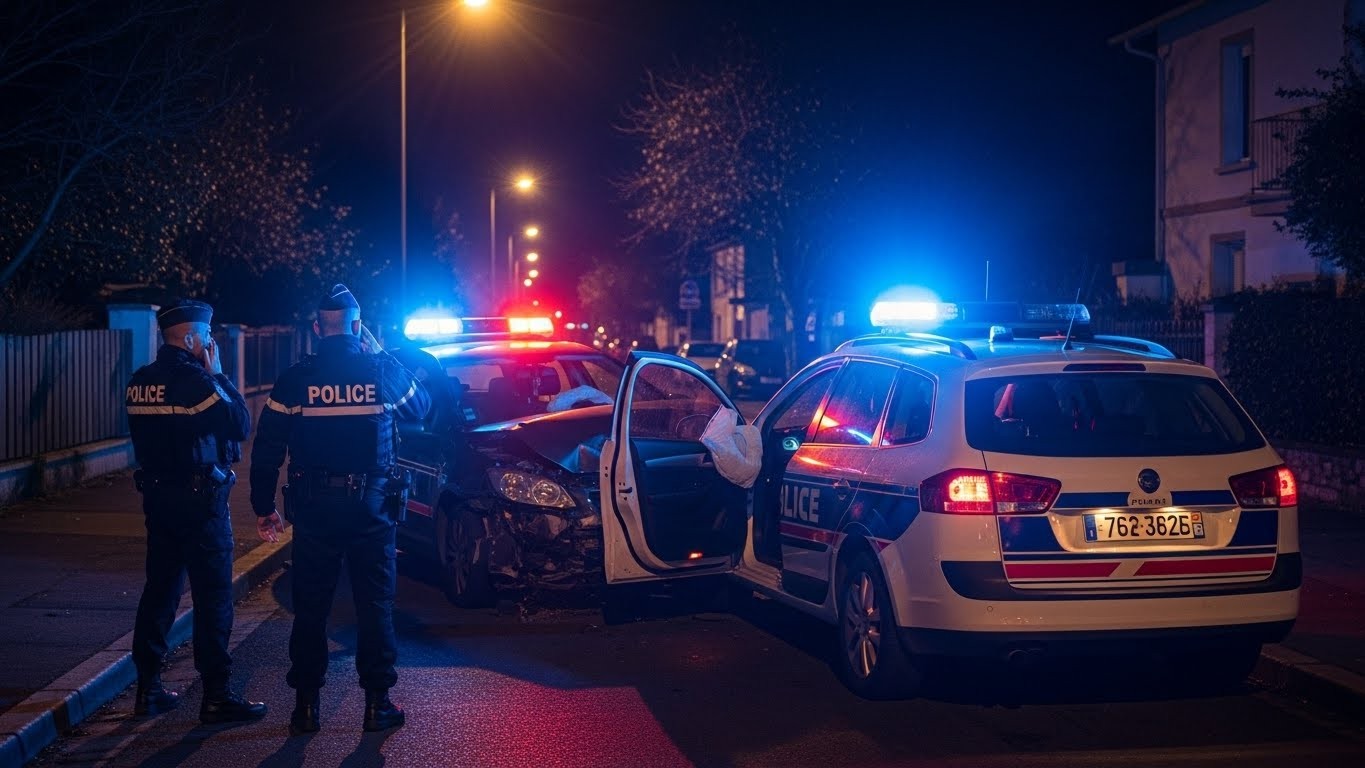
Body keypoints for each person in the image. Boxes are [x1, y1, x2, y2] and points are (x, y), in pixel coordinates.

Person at [250, 284, 430, 735]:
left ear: (315, 329)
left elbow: (267, 447)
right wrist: (380, 351)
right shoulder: (381, 370)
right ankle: (376, 704)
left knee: (311, 607)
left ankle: (306, 706)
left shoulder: (295, 379)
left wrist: (262, 505)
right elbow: (421, 408)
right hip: (372, 509)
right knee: (374, 605)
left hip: (313, 509)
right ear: (358, 326)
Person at [124, 299, 268, 723]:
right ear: (190, 339)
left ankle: (147, 688)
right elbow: (240, 424)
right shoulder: (196, 382)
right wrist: (218, 373)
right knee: (213, 599)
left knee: (160, 592)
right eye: (206, 336)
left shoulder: (140, 382)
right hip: (200, 502)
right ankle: (217, 695)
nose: (210, 343)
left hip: (158, 498)